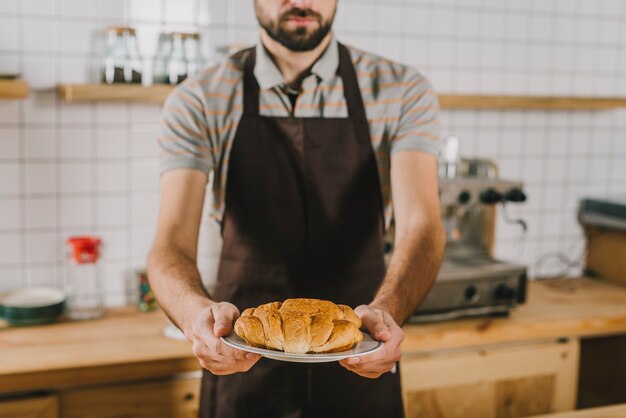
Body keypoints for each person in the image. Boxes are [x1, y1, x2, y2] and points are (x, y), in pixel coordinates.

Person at [148, 1, 445, 417]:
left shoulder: (402, 91)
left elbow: (424, 227)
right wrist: (193, 314)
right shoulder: (199, 99)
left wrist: (386, 313)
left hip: (361, 354)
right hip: (242, 359)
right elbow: (169, 244)